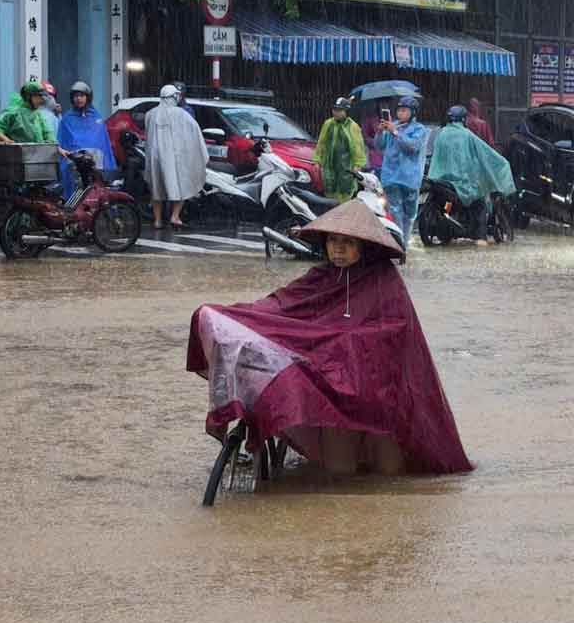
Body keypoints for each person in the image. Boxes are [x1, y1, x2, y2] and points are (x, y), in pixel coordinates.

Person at [188, 199, 473, 476]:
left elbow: (394, 334)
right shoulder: (320, 277)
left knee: (388, 472)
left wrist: (345, 343)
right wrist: (232, 317)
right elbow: (280, 306)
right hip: (331, 378)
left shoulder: (385, 281)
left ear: (364, 246)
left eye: (348, 242)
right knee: (339, 469)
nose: (338, 248)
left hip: (377, 387)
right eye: (333, 241)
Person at [428, 105, 516, 246]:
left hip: (438, 180)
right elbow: (485, 152)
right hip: (460, 183)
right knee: (479, 202)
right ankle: (480, 238)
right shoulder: (467, 135)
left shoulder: (441, 133)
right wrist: (502, 163)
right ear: (464, 119)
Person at [145, 84, 209, 230]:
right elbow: (194, 132)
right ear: (174, 97)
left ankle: (157, 220)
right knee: (182, 185)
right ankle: (175, 216)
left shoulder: (150, 114)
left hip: (154, 158)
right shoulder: (181, 114)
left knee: (156, 189)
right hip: (174, 157)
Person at [376, 95, 428, 248]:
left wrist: (396, 132)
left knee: (410, 214)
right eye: (399, 110)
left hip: (410, 178)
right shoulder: (392, 126)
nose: (400, 113)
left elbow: (412, 147)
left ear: (413, 112)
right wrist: (380, 132)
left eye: (404, 110)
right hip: (391, 177)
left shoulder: (419, 129)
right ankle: (399, 244)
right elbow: (379, 146)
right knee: (395, 211)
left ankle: (404, 241)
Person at [57, 81, 118, 199]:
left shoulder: (96, 118)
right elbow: (63, 142)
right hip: (75, 165)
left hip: (95, 163)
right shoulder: (67, 119)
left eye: (82, 95)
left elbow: (103, 143)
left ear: (88, 97)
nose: (78, 99)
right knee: (75, 194)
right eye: (76, 96)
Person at [315, 97, 367, 203]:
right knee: (329, 193)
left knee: (345, 194)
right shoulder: (328, 124)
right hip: (329, 167)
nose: (336, 112)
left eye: (340, 110)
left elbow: (358, 147)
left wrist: (358, 165)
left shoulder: (353, 127)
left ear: (346, 111)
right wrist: (317, 160)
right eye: (334, 109)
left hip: (346, 169)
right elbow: (321, 143)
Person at [0, 81, 56, 145]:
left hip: (37, 152)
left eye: (43, 97)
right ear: (28, 97)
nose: (42, 100)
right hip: (17, 152)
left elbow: (47, 133)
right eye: (39, 96)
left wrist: (54, 145)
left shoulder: (38, 115)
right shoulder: (14, 112)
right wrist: (7, 140)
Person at [360, 100, 390, 173]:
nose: (384, 107)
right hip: (374, 157)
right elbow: (365, 137)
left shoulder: (391, 118)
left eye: (386, 105)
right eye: (382, 104)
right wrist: (376, 139)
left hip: (388, 158)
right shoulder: (369, 119)